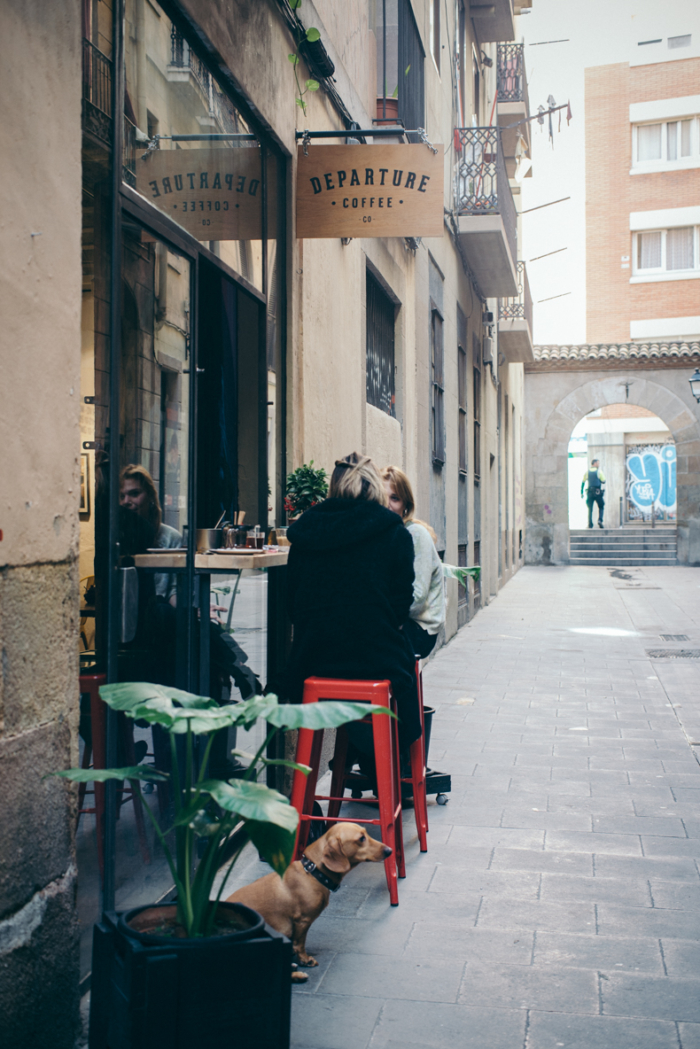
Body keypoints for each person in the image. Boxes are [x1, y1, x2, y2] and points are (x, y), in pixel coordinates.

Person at [284, 452, 421, 748]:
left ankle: (363, 761)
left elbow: (292, 605)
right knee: (406, 657)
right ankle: (395, 767)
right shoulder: (394, 532)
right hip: (376, 663)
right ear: (373, 486)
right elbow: (400, 608)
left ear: (333, 487)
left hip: (311, 662)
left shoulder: (307, 531)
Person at [381, 466, 445, 659]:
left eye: (395, 498)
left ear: (405, 505)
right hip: (398, 619)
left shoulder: (415, 534)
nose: (387, 505)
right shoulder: (385, 534)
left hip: (419, 628)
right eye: (383, 498)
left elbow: (416, 598)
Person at [119, 464, 183, 603]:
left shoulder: (171, 538)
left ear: (150, 497)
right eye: (121, 496)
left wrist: (192, 610)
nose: (126, 502)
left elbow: (174, 589)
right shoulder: (118, 539)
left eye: (134, 494)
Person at [581, 458, 606, 529]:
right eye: (598, 463)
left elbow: (583, 482)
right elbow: (604, 481)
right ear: (594, 463)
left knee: (590, 508)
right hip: (597, 492)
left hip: (590, 492)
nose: (598, 464)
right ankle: (600, 520)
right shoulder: (599, 472)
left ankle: (590, 524)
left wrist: (581, 492)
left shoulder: (587, 472)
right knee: (601, 506)